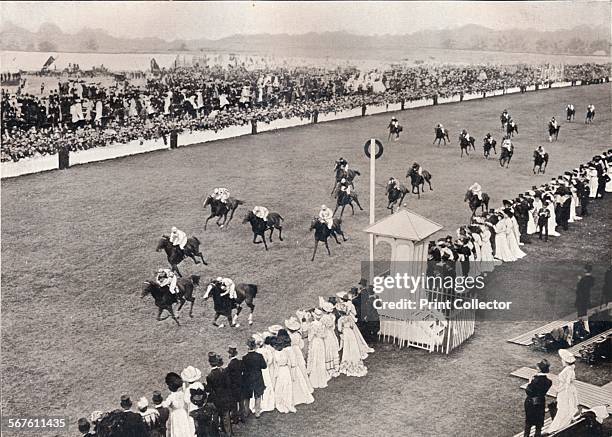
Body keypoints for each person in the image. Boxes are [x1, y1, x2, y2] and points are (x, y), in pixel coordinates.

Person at [545, 350, 579, 434]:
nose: (561, 361)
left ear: (565, 361)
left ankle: (555, 428)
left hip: (566, 392)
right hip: (569, 390)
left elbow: (566, 384)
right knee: (566, 408)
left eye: (562, 360)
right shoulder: (570, 369)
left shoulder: (567, 370)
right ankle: (563, 423)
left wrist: (557, 388)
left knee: (562, 409)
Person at [205, 353, 233, 437]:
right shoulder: (223, 371)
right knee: (226, 416)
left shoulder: (209, 376)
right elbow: (228, 384)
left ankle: (218, 432)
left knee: (217, 416)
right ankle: (228, 433)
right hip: (225, 397)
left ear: (210, 363)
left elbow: (209, 389)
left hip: (217, 399)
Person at [523, 359, 552, 437]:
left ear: (539, 369)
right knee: (539, 423)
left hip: (531, 402)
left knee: (528, 423)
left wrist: (529, 383)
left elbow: (529, 391)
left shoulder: (535, 380)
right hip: (541, 402)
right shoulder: (549, 381)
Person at [161, 373, 195, 437]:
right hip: (183, 413)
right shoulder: (182, 393)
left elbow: (165, 405)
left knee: (177, 431)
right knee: (185, 429)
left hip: (176, 415)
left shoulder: (171, 397)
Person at [241, 338, 267, 419]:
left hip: (248, 379)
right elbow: (264, 366)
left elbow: (243, 368)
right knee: (258, 395)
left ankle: (246, 412)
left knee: (247, 396)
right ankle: (257, 412)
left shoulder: (245, 357)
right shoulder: (259, 356)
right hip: (257, 378)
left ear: (247, 347)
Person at [307, 309, 331, 388]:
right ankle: (321, 376)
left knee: (315, 358)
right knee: (320, 359)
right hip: (321, 342)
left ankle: (315, 378)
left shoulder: (312, 325)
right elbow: (324, 335)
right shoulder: (322, 324)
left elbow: (310, 338)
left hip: (315, 342)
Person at [225, 344, 245, 424]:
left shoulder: (230, 365)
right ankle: (242, 417)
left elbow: (228, 376)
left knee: (234, 403)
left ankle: (235, 419)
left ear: (230, 355)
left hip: (233, 386)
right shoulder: (240, 362)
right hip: (240, 384)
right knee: (241, 402)